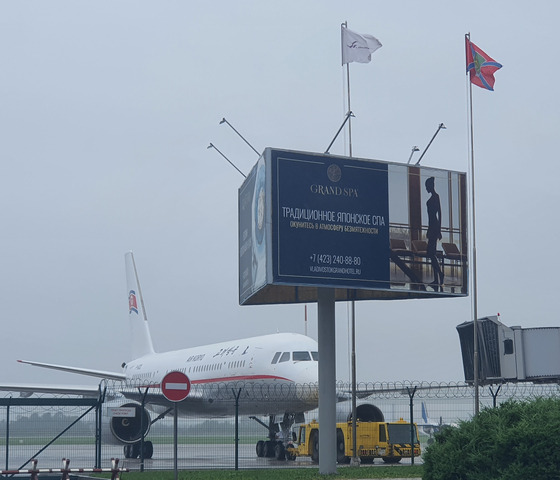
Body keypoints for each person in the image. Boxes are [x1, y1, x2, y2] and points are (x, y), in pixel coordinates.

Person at [425, 177, 443, 291]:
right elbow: (430, 218)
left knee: (431, 253)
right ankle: (436, 278)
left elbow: (439, 214)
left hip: (434, 227)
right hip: (432, 227)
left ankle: (440, 274)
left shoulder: (435, 197)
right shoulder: (432, 198)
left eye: (427, 186)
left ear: (431, 186)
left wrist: (439, 230)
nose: (426, 188)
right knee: (431, 253)